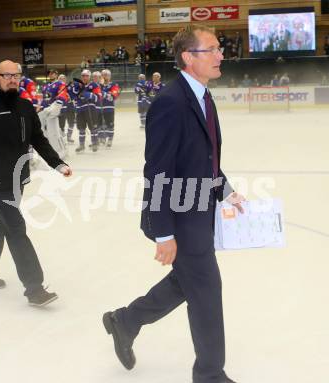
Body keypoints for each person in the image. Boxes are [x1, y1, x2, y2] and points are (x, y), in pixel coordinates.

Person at [102, 25, 245, 383]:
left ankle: (125, 320)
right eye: (211, 49)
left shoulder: (202, 96)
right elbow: (158, 171)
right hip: (180, 217)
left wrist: (225, 190)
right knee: (206, 292)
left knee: (187, 283)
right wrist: (164, 232)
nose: (220, 54)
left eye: (218, 49)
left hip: (200, 210)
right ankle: (210, 374)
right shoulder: (170, 102)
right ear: (188, 57)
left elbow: (203, 157)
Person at [0, 60, 72, 307]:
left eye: (16, 75)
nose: (12, 78)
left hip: (18, 179)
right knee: (17, 229)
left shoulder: (24, 106)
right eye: (6, 75)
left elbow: (38, 139)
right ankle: (34, 288)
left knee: (2, 225)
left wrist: (57, 163)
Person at [71, 69, 102, 153]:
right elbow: (73, 96)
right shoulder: (78, 86)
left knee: (93, 127)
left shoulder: (94, 85)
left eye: (86, 76)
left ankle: (95, 143)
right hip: (80, 109)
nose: (84, 77)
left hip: (90, 109)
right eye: (83, 76)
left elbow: (99, 98)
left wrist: (90, 95)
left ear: (89, 77)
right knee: (81, 128)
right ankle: (81, 145)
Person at [100, 69, 120, 148]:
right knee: (101, 125)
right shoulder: (98, 85)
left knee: (110, 125)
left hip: (109, 108)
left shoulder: (114, 84)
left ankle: (110, 139)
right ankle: (103, 138)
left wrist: (103, 93)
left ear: (110, 76)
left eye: (106, 75)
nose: (105, 77)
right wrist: (107, 93)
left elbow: (112, 97)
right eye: (103, 75)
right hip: (100, 108)